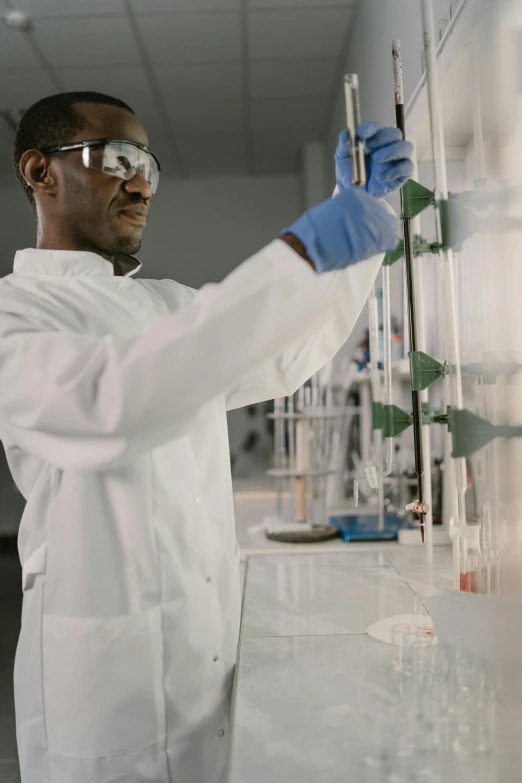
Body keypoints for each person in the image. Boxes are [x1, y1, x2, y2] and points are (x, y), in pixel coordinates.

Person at [1, 92, 413, 783]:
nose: (139, 183)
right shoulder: (15, 313)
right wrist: (299, 252)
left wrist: (355, 231)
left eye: (149, 167)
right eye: (118, 160)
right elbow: (113, 401)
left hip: (202, 666)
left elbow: (288, 353)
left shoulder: (166, 304)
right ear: (40, 171)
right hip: (106, 693)